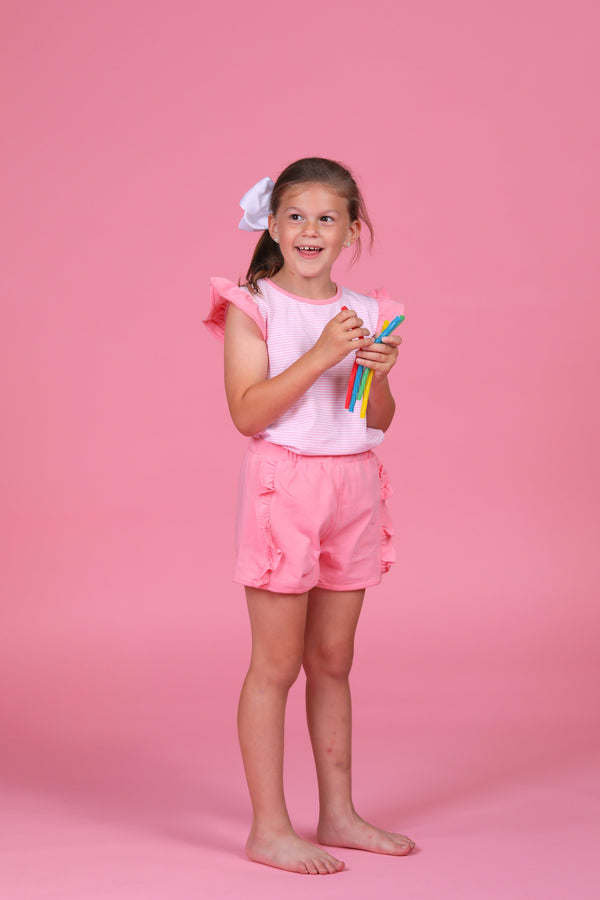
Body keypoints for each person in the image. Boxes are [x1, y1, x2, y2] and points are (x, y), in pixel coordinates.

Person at [203, 157, 414, 875]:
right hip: (284, 487)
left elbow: (374, 418)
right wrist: (323, 353)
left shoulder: (370, 310)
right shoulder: (253, 304)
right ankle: (269, 827)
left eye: (327, 217)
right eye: (296, 216)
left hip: (353, 485)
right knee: (276, 664)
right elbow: (247, 413)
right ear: (272, 224)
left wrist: (376, 376)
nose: (310, 229)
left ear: (352, 230)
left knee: (332, 660)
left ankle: (339, 813)